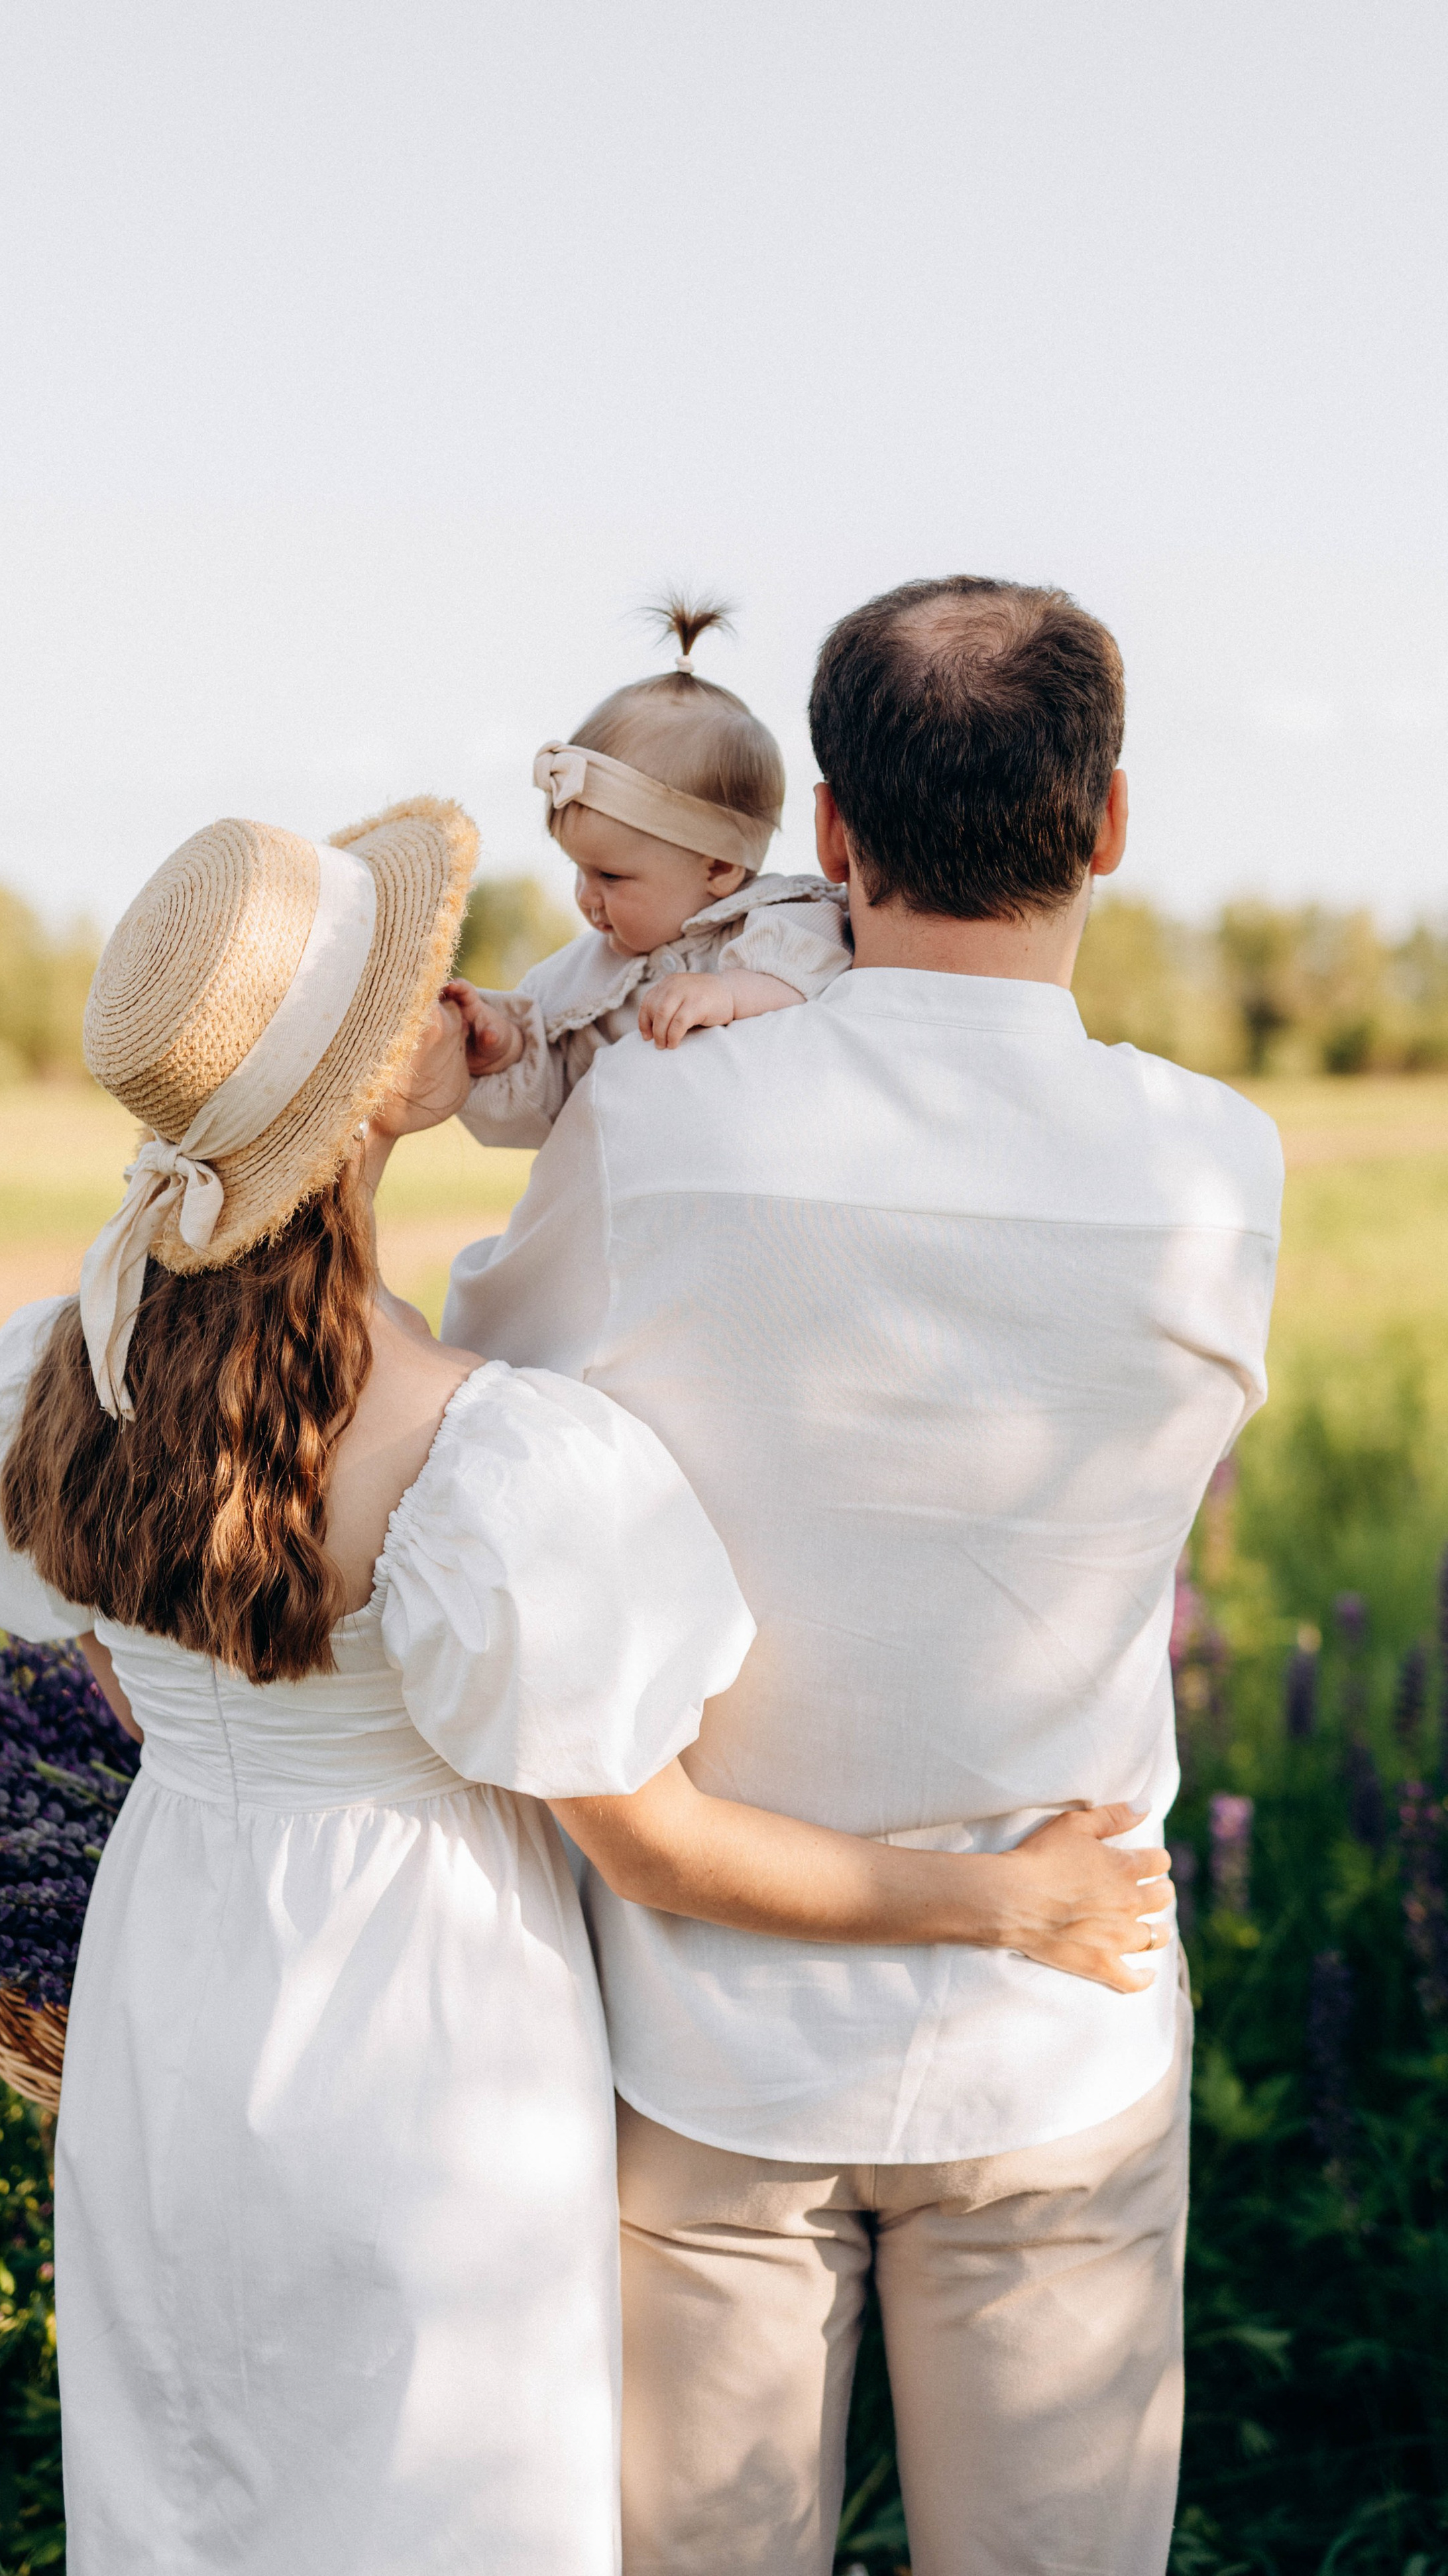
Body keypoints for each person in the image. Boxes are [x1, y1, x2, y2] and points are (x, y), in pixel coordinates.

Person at [0, 799, 1168, 2576]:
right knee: (438, 2495)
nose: (469, 991)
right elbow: (657, 1850)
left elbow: (151, 1691)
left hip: (177, 1982)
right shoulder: (473, 1452)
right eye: (413, 990)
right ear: (369, 1099)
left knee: (209, 2476)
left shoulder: (76, 1360)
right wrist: (1010, 1900)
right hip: (419, 2029)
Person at [445, 578, 1285, 2576]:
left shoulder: (660, 1116)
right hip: (1059, 2012)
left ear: (823, 830)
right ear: (1104, 826)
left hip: (707, 2022)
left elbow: (490, 1409)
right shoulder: (1212, 1169)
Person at [448, 596, 849, 1144]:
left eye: (611, 877)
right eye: (578, 870)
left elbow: (817, 973)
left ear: (721, 865)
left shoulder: (776, 927)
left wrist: (731, 993)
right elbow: (544, 1119)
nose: (586, 898)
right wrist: (509, 1050)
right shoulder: (581, 982)